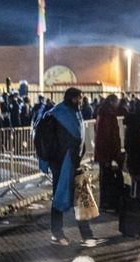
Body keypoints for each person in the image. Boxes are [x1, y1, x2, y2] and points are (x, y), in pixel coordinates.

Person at [46, 87, 105, 247]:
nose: (81, 101)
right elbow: (61, 141)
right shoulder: (60, 114)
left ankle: (85, 235)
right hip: (62, 165)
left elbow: (78, 137)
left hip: (72, 162)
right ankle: (59, 233)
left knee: (78, 197)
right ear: (72, 98)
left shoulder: (73, 113)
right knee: (62, 197)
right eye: (79, 98)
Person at [93, 94, 123, 213]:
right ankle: (107, 204)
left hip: (104, 153)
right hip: (107, 153)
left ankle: (106, 203)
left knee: (105, 178)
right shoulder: (108, 116)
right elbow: (108, 137)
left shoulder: (103, 114)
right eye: (116, 102)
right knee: (107, 179)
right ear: (112, 102)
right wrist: (112, 155)